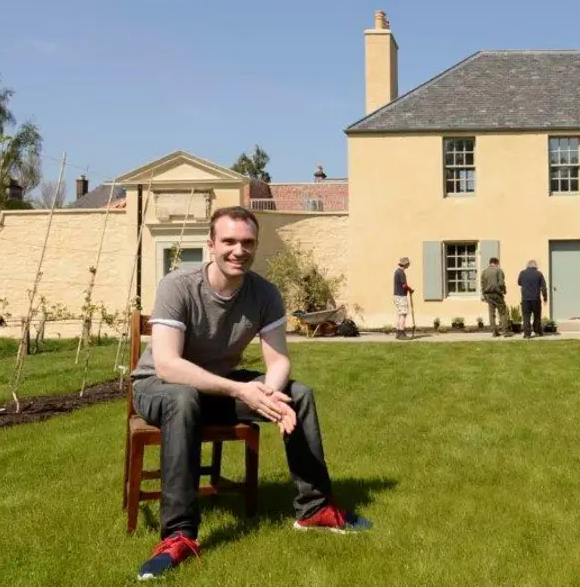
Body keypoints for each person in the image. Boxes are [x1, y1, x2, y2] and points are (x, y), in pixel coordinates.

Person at [130, 206, 371, 581]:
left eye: (247, 242)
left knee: (299, 394)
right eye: (228, 241)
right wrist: (245, 391)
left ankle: (315, 509)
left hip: (219, 385)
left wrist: (269, 396)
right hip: (159, 389)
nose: (238, 250)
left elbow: (278, 363)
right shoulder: (178, 286)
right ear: (211, 244)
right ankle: (178, 536)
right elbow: (168, 366)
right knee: (183, 398)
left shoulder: (264, 293)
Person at [480, 257, 512, 337]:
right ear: (496, 263)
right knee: (503, 312)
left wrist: (484, 295)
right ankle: (505, 332)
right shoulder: (499, 270)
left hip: (488, 294)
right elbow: (501, 283)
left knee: (491, 314)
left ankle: (494, 332)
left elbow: (482, 284)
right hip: (497, 294)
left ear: (490, 263)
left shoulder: (484, 272)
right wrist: (504, 290)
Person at [516, 260, 548, 338]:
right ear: (535, 266)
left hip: (525, 298)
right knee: (537, 316)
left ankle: (527, 334)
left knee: (526, 316)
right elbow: (543, 287)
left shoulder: (522, 273)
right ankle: (537, 331)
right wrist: (545, 297)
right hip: (536, 298)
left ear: (527, 265)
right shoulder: (539, 274)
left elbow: (519, 282)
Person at [393, 257, 413, 340]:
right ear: (405, 264)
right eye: (408, 263)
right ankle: (401, 333)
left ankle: (398, 332)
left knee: (399, 314)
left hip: (397, 296)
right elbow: (404, 285)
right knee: (403, 314)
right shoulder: (401, 273)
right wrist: (410, 290)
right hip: (401, 296)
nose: (409, 265)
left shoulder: (397, 271)